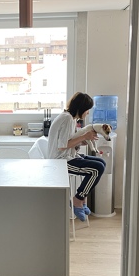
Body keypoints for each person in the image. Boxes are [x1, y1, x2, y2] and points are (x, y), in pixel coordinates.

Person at [48, 92, 106, 222]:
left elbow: (69, 142)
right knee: (97, 169)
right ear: (81, 108)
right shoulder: (67, 119)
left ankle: (81, 199)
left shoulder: (70, 118)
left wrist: (82, 141)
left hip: (68, 156)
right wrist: (84, 137)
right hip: (60, 161)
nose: (88, 113)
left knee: (101, 163)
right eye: (87, 110)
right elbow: (62, 146)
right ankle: (78, 200)